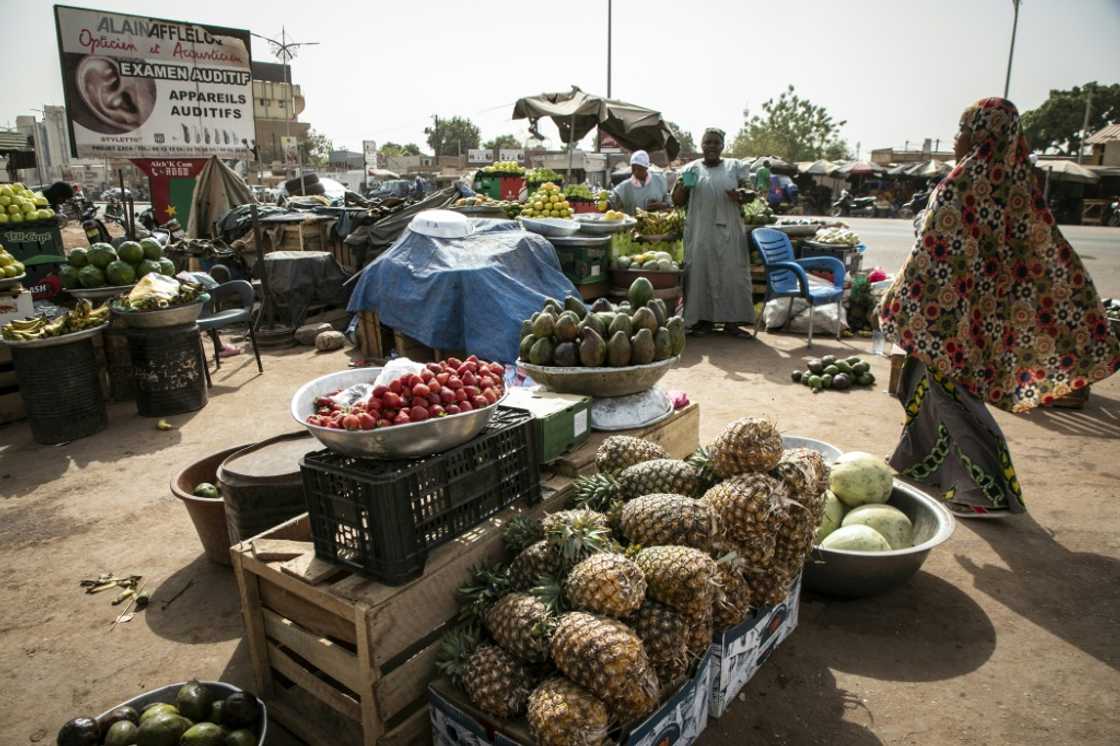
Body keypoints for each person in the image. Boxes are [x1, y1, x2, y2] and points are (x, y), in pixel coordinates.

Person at [879, 97, 1119, 518]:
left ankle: (985, 492)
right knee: (918, 383)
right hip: (984, 318)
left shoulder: (966, 180)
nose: (955, 138)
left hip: (947, 318)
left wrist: (898, 299)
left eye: (961, 128)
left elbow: (934, 253)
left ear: (980, 134)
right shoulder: (1017, 182)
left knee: (951, 396)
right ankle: (917, 461)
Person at [671, 128, 757, 338]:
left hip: (730, 230)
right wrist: (683, 186)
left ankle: (732, 322)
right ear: (701, 145)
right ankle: (702, 321)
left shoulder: (734, 167)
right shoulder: (690, 169)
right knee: (700, 273)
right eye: (707, 142)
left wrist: (742, 195)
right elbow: (677, 201)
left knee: (731, 275)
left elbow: (751, 193)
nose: (711, 146)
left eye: (716, 143)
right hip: (700, 230)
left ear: (722, 146)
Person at [609, 150, 669, 215]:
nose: (636, 172)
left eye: (640, 169)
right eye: (633, 168)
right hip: (634, 224)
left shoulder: (659, 180)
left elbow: (669, 201)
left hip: (657, 223)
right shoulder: (625, 186)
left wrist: (661, 205)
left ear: (646, 167)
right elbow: (612, 201)